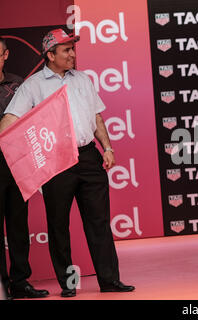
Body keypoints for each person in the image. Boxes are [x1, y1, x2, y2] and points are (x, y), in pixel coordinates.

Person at [0, 29, 134, 298]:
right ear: (50, 55)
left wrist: (106, 147)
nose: (73, 54)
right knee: (59, 225)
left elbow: (96, 117)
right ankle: (69, 284)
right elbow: (10, 119)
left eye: (73, 49)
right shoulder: (32, 86)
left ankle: (109, 280)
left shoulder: (83, 79)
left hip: (88, 156)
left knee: (99, 221)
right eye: (66, 50)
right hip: (56, 160)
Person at [0, 37, 49, 299]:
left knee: (19, 227)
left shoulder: (19, 84)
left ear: (5, 55)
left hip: (18, 164)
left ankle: (20, 282)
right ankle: (1, 286)